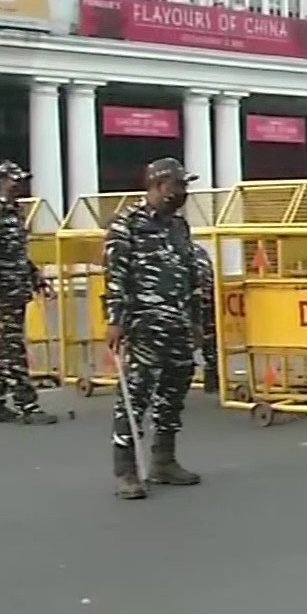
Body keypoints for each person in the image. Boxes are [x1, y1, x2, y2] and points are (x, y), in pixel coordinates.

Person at [102, 158, 205, 499]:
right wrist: (115, 320)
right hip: (144, 323)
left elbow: (190, 273)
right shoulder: (126, 224)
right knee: (135, 396)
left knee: (173, 393)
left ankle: (164, 459)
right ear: (159, 185)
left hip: (176, 322)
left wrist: (196, 320)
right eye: (178, 185)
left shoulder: (179, 226)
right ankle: (126, 471)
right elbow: (115, 276)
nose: (183, 192)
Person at [0, 160, 58, 425]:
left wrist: (36, 278)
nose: (19, 184)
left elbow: (19, 255)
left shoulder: (17, 213)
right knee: (13, 348)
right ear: (1, 181)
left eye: (21, 180)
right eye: (14, 180)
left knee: (2, 346)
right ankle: (27, 406)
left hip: (17, 287)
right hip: (3, 291)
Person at [169, 212, 222, 394]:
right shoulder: (198, 251)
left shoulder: (175, 255)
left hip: (189, 304)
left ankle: (182, 377)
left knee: (181, 341)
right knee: (209, 338)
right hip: (205, 301)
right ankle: (211, 373)